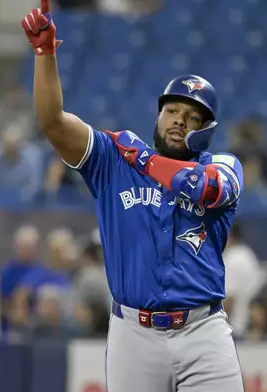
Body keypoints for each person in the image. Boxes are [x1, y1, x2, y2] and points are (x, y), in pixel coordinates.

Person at [21, 2, 244, 391]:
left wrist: (144, 157)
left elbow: (204, 188)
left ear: (207, 129)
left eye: (193, 117)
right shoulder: (114, 161)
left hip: (203, 329)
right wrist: (45, 55)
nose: (179, 120)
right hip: (134, 332)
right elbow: (52, 122)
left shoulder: (222, 164)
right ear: (157, 116)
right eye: (172, 110)